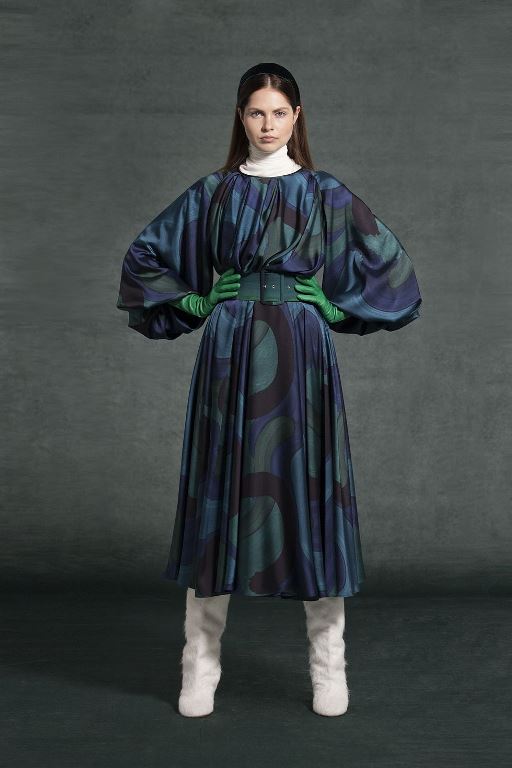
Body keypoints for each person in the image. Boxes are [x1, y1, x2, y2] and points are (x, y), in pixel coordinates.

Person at [116, 63, 422, 719]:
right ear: (240, 116)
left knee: (310, 498)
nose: (267, 125)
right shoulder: (214, 193)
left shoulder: (324, 193)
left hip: (302, 355)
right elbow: (144, 258)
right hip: (230, 353)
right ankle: (199, 669)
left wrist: (333, 308)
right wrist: (197, 300)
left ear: (296, 117)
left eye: (279, 113)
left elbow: (394, 271)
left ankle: (329, 669)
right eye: (256, 112)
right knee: (220, 498)